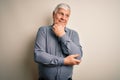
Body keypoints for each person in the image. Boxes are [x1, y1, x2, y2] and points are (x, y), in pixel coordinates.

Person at [34, 3, 83, 80]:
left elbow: (78, 57)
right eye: (61, 14)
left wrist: (62, 35)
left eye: (67, 15)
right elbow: (38, 55)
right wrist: (64, 61)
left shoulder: (74, 34)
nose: (63, 18)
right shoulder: (43, 31)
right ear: (54, 14)